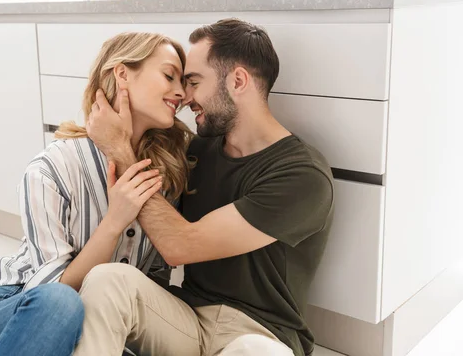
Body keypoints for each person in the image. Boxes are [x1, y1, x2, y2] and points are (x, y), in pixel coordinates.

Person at [73, 18, 335, 356]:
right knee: (107, 280)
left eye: (194, 82)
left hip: (260, 334)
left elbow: (180, 246)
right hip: (186, 321)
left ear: (238, 81)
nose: (184, 97)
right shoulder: (196, 152)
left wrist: (119, 150)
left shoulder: (302, 174)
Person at [0, 31, 194, 356]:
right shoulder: (54, 167)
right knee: (61, 303)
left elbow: (154, 280)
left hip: (98, 321)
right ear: (122, 74)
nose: (180, 92)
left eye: (183, 81)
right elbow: (53, 293)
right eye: (168, 76)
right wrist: (114, 222)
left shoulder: (166, 172)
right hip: (11, 313)